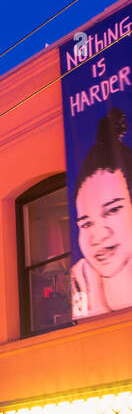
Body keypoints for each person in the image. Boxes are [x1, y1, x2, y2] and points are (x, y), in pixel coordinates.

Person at [72, 107, 132, 317]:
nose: (97, 237)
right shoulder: (84, 288)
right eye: (86, 223)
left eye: (113, 210)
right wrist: (95, 304)